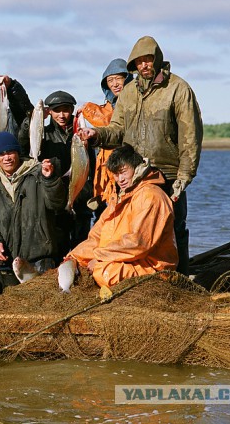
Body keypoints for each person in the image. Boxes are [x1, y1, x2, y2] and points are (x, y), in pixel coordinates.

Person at [79, 36, 203, 275]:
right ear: (133, 66)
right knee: (132, 230)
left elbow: (191, 137)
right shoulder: (128, 93)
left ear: (156, 60)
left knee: (174, 227)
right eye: (139, 61)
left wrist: (183, 179)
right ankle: (145, 276)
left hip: (166, 173)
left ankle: (181, 278)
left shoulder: (178, 88)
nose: (144, 65)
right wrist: (95, 134)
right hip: (132, 172)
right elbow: (117, 130)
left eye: (148, 60)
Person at [66, 144, 178, 287]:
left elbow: (138, 243)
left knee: (102, 272)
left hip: (152, 267)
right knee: (75, 264)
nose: (120, 179)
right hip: (124, 259)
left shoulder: (151, 196)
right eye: (116, 174)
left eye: (123, 172)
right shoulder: (120, 197)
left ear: (137, 168)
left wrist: (99, 258)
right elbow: (96, 237)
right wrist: (74, 256)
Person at [0, 132, 66, 288]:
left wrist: (50, 180)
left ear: (17, 152)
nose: (7, 158)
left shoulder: (38, 173)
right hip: (6, 262)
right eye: (1, 154)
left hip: (40, 258)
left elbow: (57, 204)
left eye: (10, 152)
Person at [18, 90, 96, 261]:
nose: (62, 115)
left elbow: (92, 168)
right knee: (57, 251)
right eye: (57, 110)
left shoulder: (82, 135)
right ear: (49, 112)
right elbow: (23, 146)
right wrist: (31, 120)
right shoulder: (43, 134)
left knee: (81, 250)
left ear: (72, 110)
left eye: (66, 109)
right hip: (54, 203)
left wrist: (90, 193)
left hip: (81, 201)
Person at [76, 58, 133, 216]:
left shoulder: (135, 103)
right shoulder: (108, 105)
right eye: (110, 80)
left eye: (118, 79)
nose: (114, 84)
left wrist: (87, 108)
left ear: (127, 78)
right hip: (105, 169)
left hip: (127, 166)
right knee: (104, 214)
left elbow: (108, 122)